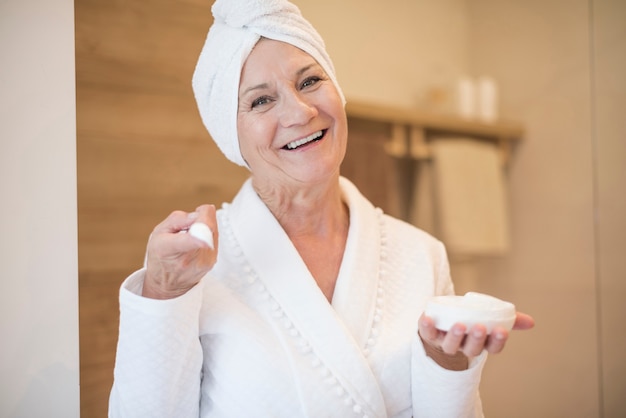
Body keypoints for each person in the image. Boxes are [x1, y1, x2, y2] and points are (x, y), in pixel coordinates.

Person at [108, 0, 534, 417]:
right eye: (261, 101)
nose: (300, 111)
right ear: (230, 135)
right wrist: (162, 295)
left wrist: (447, 362)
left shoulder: (420, 254)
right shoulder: (195, 272)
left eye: (310, 81)